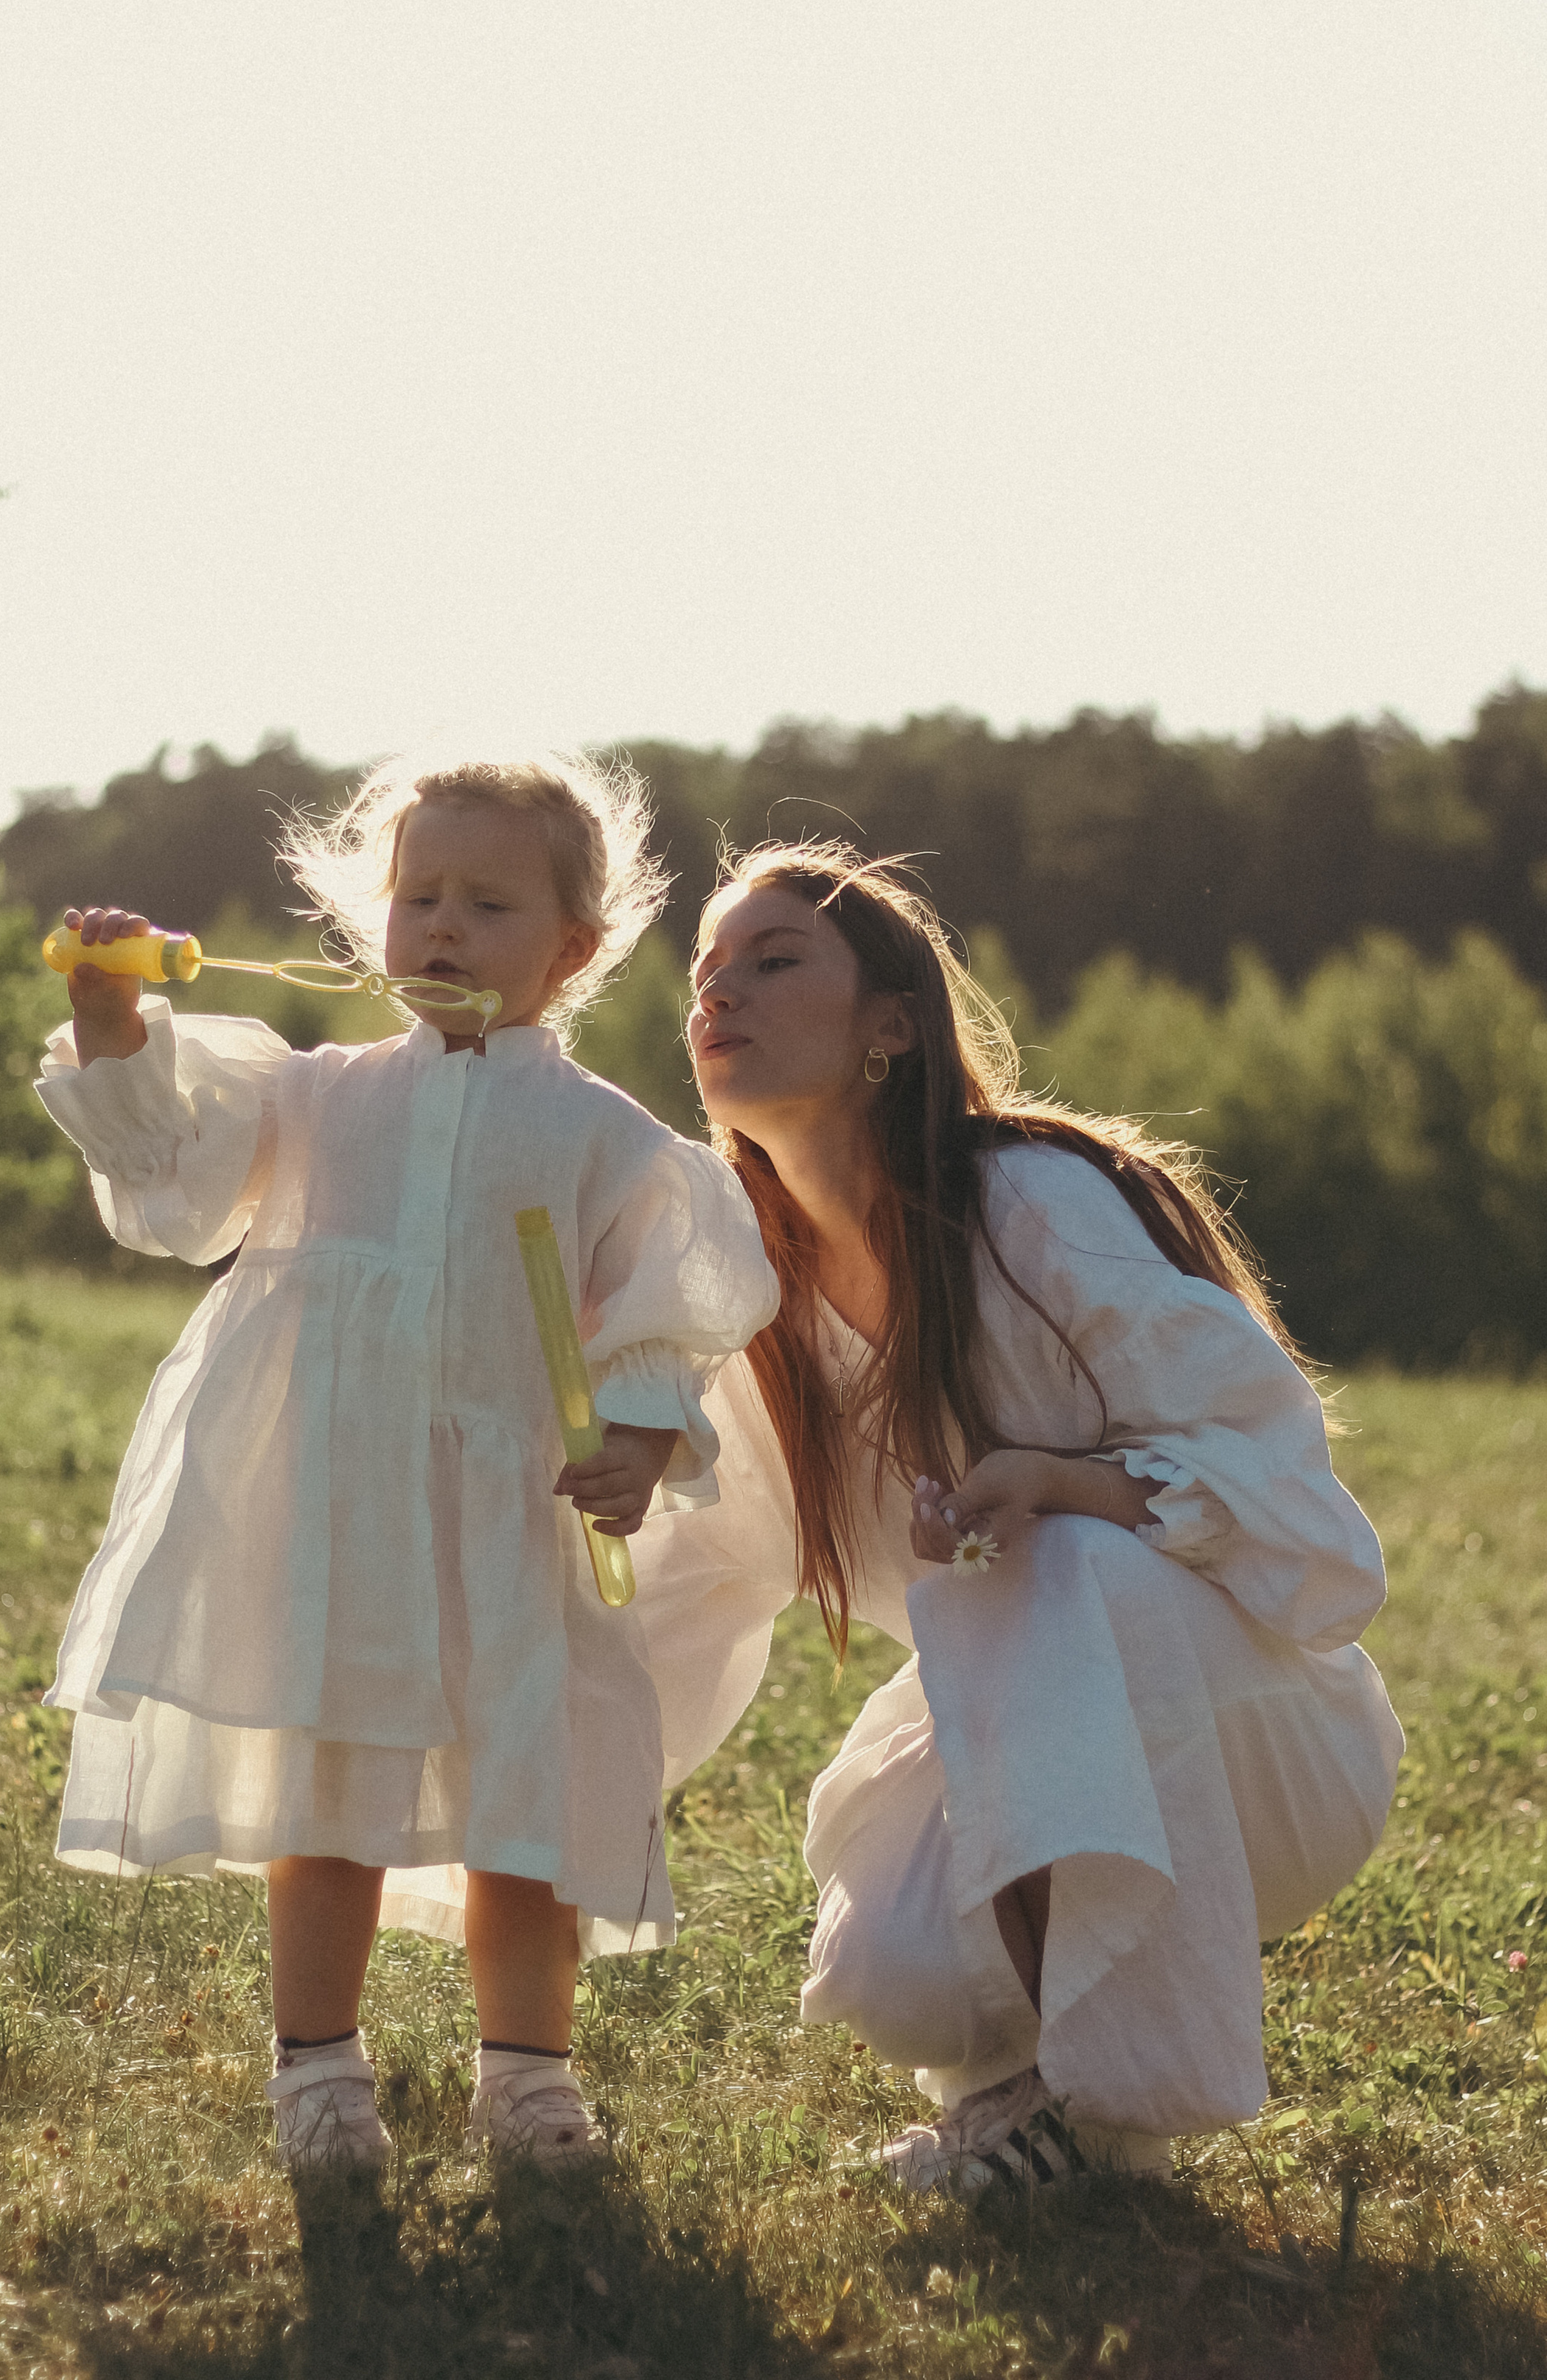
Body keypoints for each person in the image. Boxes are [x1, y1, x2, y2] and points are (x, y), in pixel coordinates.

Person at [33, 755, 777, 2171]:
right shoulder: (316, 1098)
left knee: (527, 1797)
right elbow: (175, 1177)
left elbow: (677, 1301)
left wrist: (632, 1435)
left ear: (574, 948)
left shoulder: (601, 1135)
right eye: (418, 895)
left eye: (488, 904)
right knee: (329, 1802)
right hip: (338, 1508)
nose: (441, 926)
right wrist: (115, 1024)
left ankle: (530, 2075)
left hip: (508, 1521)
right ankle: (317, 2068)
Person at [635, 841, 1401, 2189]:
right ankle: (1014, 2097)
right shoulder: (759, 1309)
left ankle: (1102, 2120)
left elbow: (1297, 1503)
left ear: (891, 1026)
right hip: (1037, 1724)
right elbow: (683, 1578)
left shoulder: (1029, 1206)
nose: (718, 994)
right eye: (703, 973)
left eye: (772, 960)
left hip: (1262, 1730)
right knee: (894, 1971)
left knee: (1065, 1568)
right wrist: (511, 1731)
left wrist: (1068, 1484)